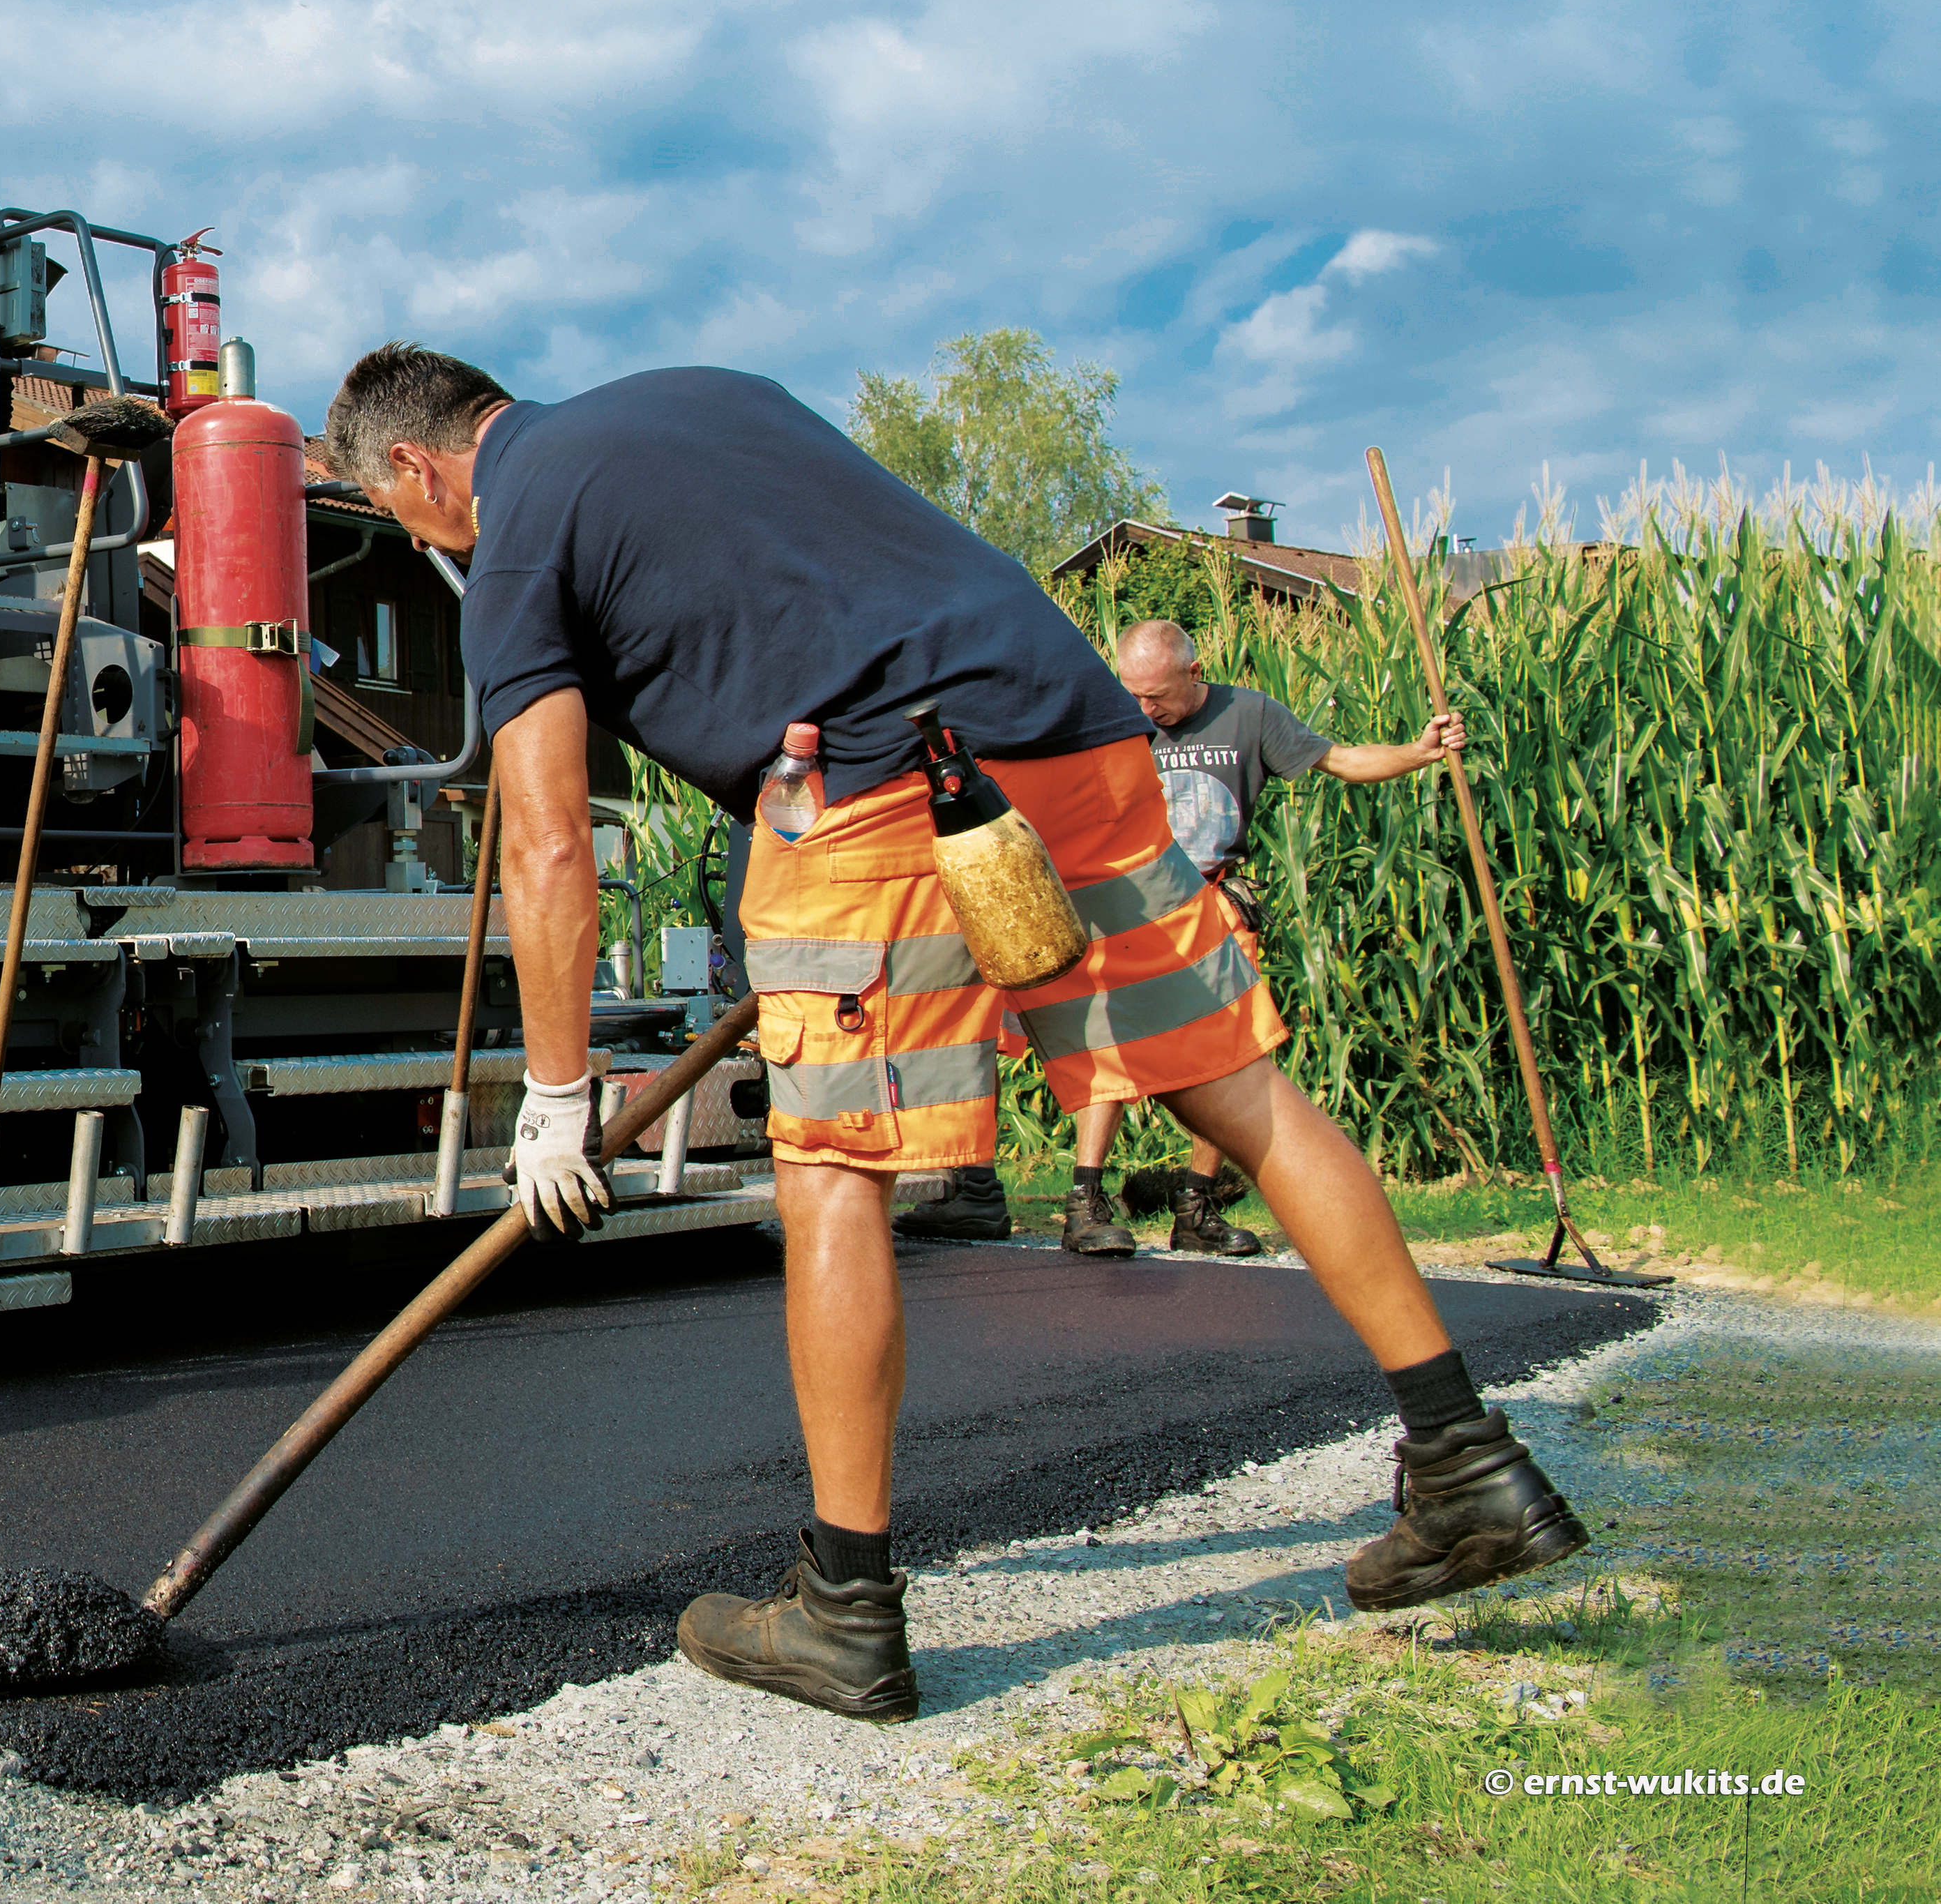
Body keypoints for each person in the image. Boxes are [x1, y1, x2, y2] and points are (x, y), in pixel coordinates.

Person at [322, 345, 1586, 1722]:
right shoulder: (703, 394)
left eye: (399, 519)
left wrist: (557, 1093)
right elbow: (818, 590)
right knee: (1232, 1088)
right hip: (1074, 733)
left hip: (882, 786)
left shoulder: (513, 545)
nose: (418, 539)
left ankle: (845, 1613)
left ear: (416, 466)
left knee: (832, 1172)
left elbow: (551, 844)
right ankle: (1466, 1461)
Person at [905, 618, 1470, 1258]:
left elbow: (1341, 761)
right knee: (1103, 1044)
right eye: (1132, 694)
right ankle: (1085, 1204)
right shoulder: (1103, 720)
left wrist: (1417, 753)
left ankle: (1194, 1208)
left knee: (1225, 1052)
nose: (1143, 709)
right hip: (1119, 902)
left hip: (1211, 900)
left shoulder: (1249, 714)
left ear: (1193, 674)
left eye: (1156, 696)